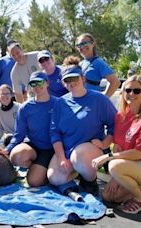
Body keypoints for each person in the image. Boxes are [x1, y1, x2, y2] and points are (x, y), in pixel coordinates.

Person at [92, 75, 141, 214]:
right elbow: (118, 146)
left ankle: (140, 201)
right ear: (123, 92)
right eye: (128, 90)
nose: (131, 94)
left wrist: (109, 159)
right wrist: (116, 177)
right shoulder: (121, 115)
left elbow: (138, 154)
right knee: (109, 196)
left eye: (137, 91)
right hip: (132, 166)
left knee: (114, 165)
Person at [47, 57, 117, 197]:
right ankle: (77, 173)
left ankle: (89, 181)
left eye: (75, 78)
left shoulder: (99, 99)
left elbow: (115, 124)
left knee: (78, 157)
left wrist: (105, 143)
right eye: (67, 80)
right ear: (63, 83)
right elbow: (54, 133)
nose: (71, 83)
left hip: (88, 150)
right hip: (67, 150)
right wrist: (61, 157)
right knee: (54, 178)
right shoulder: (60, 103)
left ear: (83, 78)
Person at [0, 72, 58, 187]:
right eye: (33, 83)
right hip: (33, 145)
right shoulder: (25, 108)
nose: (36, 86)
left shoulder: (58, 103)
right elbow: (19, 134)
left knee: (34, 181)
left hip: (52, 149)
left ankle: (44, 169)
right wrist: (7, 150)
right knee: (16, 156)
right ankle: (37, 166)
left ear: (47, 83)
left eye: (39, 82)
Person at [76, 33, 120, 97]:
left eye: (85, 43)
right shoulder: (81, 63)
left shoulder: (98, 63)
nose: (82, 47)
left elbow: (115, 82)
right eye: (79, 45)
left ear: (92, 44)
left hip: (92, 103)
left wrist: (104, 99)